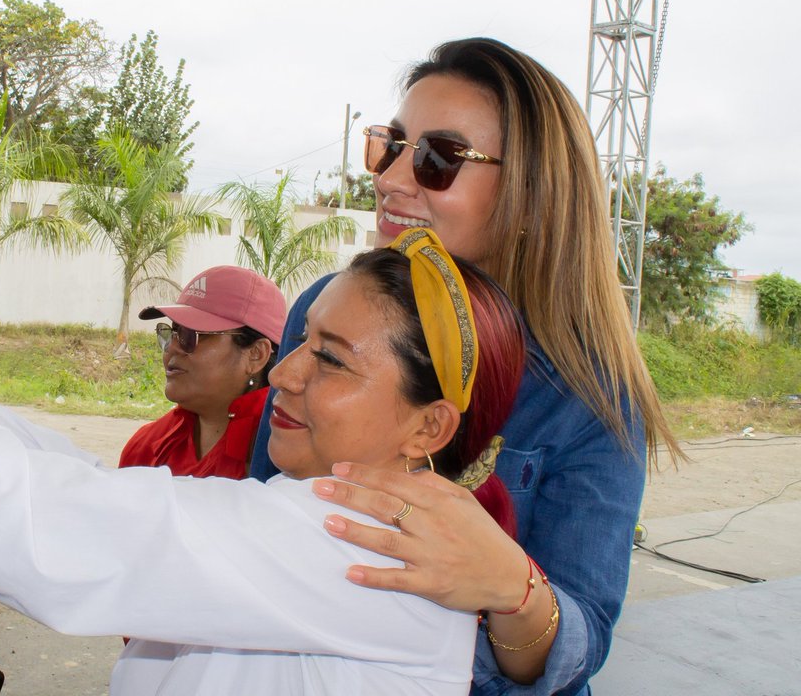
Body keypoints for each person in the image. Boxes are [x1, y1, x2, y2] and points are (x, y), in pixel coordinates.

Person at [0, 227, 526, 695]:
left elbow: (93, 529)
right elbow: (86, 482)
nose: (284, 372)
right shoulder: (330, 513)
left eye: (333, 359)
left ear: (430, 427)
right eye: (303, 340)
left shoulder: (375, 546)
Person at [247, 37, 681, 693]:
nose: (390, 179)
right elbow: (257, 511)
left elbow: (577, 645)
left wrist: (513, 588)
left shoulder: (588, 392)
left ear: (530, 197)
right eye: (391, 146)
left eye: (438, 158)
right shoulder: (320, 307)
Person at [119, 265, 284, 478]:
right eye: (173, 332)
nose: (172, 347)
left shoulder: (284, 456)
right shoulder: (145, 448)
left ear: (256, 355)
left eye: (193, 335)